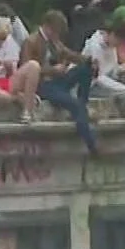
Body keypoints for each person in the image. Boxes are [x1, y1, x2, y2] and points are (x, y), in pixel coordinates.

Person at [22, 9, 97, 153]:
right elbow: (26, 67)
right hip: (42, 85)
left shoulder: (54, 42)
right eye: (56, 31)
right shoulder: (31, 41)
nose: (57, 35)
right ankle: (92, 145)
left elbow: (68, 54)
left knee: (85, 69)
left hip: (57, 80)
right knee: (75, 106)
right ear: (48, 27)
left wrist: (87, 60)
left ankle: (83, 102)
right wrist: (52, 70)